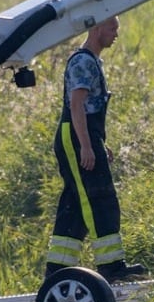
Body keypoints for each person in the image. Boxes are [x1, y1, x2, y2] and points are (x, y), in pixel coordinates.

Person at [47, 17, 144, 283]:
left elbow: (88, 109)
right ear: (97, 28)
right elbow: (77, 105)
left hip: (85, 136)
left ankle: (57, 270)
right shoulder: (83, 62)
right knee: (100, 198)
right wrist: (87, 146)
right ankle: (111, 266)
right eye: (112, 28)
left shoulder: (92, 61)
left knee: (76, 203)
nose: (116, 34)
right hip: (78, 138)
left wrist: (99, 144)